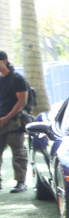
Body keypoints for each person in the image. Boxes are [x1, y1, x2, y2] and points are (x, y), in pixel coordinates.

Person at [0, 49, 29, 193]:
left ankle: (20, 183)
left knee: (18, 153)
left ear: (5, 61)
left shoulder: (17, 79)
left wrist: (6, 118)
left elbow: (22, 101)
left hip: (14, 122)